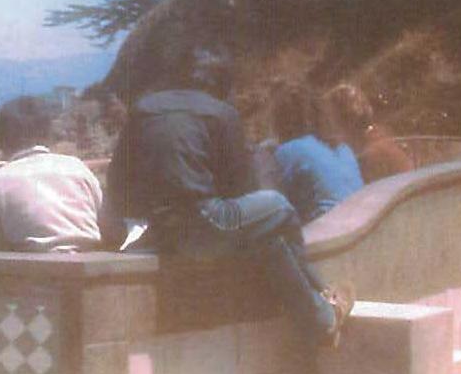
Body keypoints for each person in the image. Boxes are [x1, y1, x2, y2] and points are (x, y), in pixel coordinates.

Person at [104, 46, 354, 348]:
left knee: (269, 240)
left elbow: (118, 183)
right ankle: (322, 297)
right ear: (219, 86)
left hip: (162, 233)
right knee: (280, 207)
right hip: (205, 225)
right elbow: (244, 189)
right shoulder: (221, 113)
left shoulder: (143, 110)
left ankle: (321, 317)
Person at [0, 96, 103, 252]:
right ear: (49, 133)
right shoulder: (78, 168)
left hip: (31, 273)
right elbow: (105, 223)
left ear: (1, 140)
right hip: (92, 268)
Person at [273, 85, 364, 224]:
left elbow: (274, 204)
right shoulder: (344, 148)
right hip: (362, 224)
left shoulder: (288, 151)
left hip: (330, 235)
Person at [324, 83, 413, 183]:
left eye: (330, 121)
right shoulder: (382, 137)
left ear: (346, 122)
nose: (329, 130)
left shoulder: (370, 158)